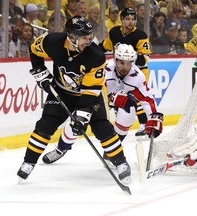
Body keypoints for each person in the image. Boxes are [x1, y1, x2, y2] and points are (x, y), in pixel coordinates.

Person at [17, 15, 131, 184]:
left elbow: (91, 91)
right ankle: (28, 162)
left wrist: (82, 116)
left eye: (90, 36)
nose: (89, 40)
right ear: (72, 37)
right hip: (61, 92)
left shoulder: (96, 56)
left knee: (102, 128)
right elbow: (34, 50)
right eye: (85, 37)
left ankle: (121, 163)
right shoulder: (52, 42)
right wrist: (40, 72)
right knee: (45, 125)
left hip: (89, 96)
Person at [45, 43, 164, 166]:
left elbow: (147, 99)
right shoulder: (104, 70)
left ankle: (111, 152)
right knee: (77, 122)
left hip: (120, 101)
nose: (125, 67)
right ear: (115, 59)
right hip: (96, 100)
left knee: (130, 111)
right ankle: (61, 148)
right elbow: (92, 93)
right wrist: (112, 98)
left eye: (129, 63)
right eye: (122, 62)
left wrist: (154, 116)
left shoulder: (137, 76)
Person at [99, 7, 152, 139]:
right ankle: (119, 124)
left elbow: (146, 58)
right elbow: (105, 46)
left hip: (137, 71)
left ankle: (144, 124)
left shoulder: (140, 35)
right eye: (128, 19)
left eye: (133, 19)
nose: (131, 22)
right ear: (122, 20)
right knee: (119, 98)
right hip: (117, 71)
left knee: (136, 97)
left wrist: (130, 56)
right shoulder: (114, 32)